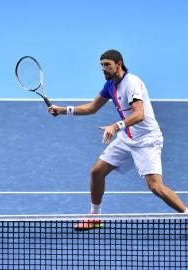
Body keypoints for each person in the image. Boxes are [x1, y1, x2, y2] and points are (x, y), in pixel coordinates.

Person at [48, 49, 188, 230]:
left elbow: (139, 115)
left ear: (119, 64)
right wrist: (63, 110)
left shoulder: (132, 83)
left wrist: (115, 126)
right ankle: (95, 217)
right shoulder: (110, 85)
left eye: (107, 65)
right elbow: (92, 107)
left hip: (146, 140)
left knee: (156, 187)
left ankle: (186, 214)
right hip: (127, 137)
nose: (103, 69)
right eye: (101, 65)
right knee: (97, 172)